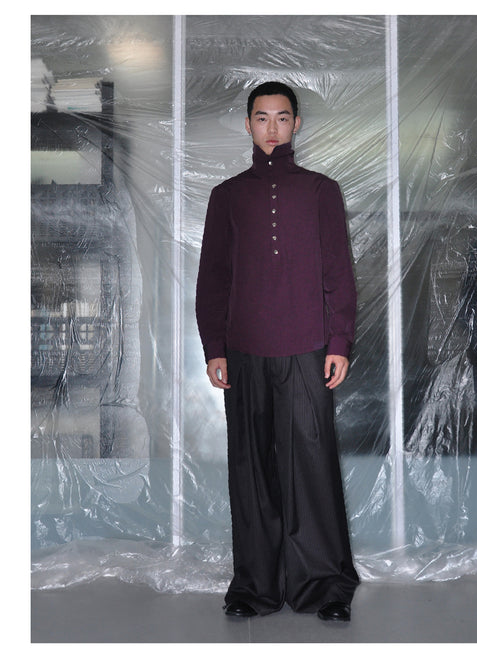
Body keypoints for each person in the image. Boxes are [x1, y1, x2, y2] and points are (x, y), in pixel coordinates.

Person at [196, 81, 359, 622]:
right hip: (244, 351)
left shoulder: (321, 191)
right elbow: (213, 278)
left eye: (282, 118)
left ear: (296, 124)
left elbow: (338, 273)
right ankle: (255, 586)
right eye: (262, 118)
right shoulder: (227, 196)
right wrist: (214, 346)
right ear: (248, 124)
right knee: (251, 469)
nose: (272, 128)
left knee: (311, 467)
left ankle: (325, 587)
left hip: (307, 350)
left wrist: (339, 342)